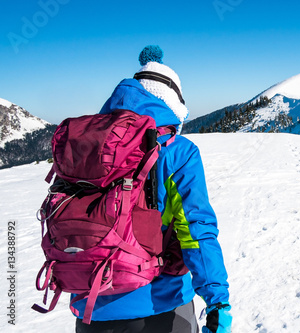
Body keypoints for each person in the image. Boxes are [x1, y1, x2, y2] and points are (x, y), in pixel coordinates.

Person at [72, 45, 232, 333]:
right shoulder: (178, 152)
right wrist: (217, 300)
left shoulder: (87, 147)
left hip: (90, 309)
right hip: (160, 307)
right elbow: (196, 230)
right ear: (172, 106)